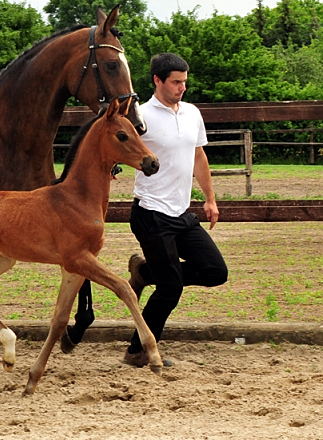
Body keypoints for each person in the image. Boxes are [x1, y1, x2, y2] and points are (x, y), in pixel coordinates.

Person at [123, 53, 229, 367]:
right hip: (151, 213)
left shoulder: (192, 112)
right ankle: (136, 352)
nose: (182, 87)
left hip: (181, 213)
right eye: (175, 82)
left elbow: (198, 157)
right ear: (157, 80)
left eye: (184, 82)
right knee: (169, 289)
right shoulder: (140, 116)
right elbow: (117, 146)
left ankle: (143, 273)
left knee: (215, 271)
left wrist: (209, 198)